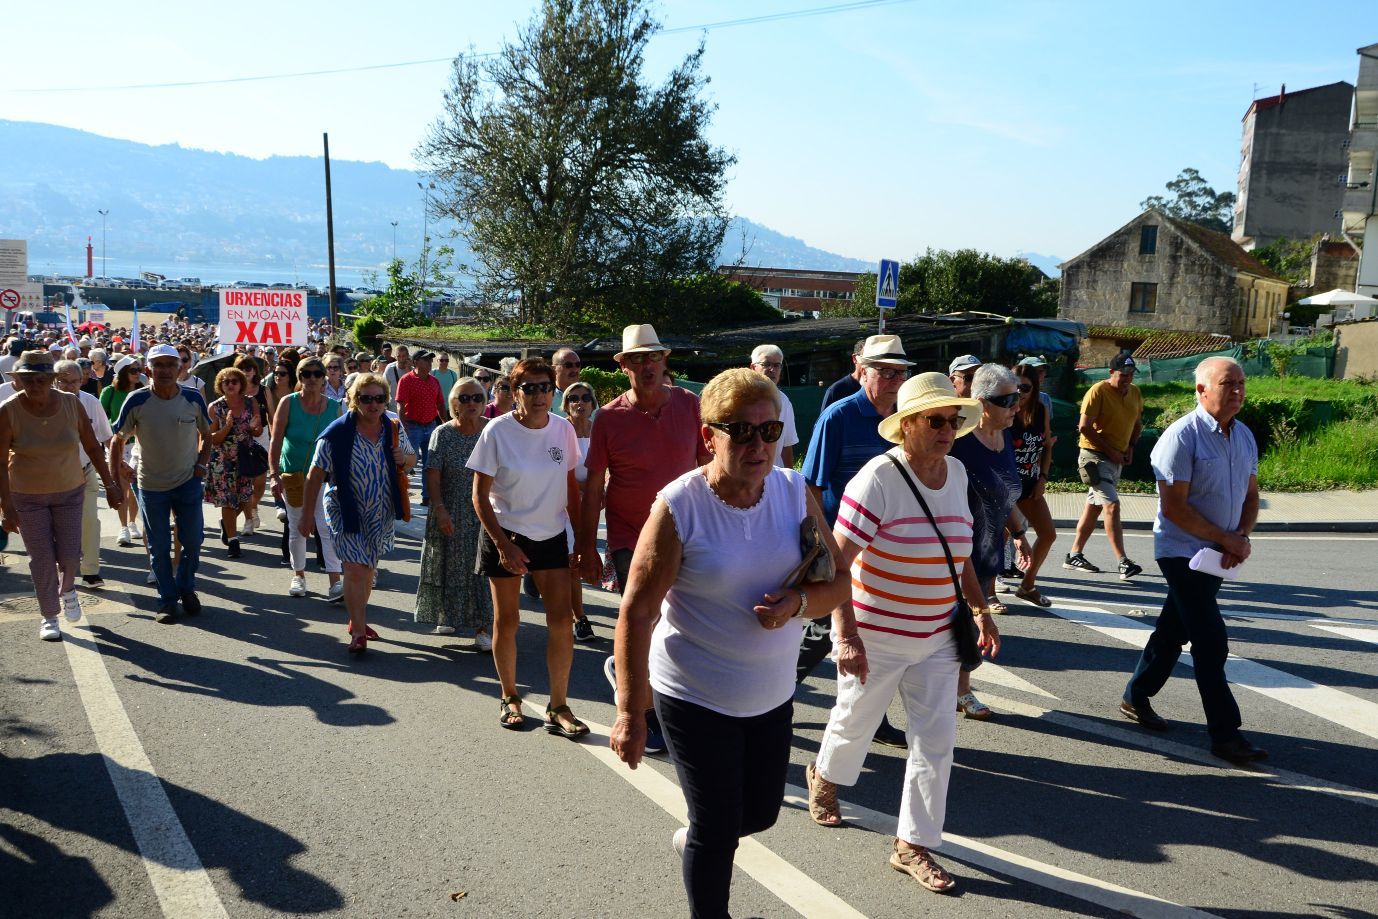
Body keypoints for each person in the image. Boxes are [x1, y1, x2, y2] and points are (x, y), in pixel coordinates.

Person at [610, 368, 851, 918]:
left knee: (760, 815)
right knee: (719, 832)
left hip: (770, 692)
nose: (758, 445)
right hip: (695, 692)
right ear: (708, 436)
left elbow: (838, 581)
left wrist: (798, 606)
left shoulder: (793, 492)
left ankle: (697, 836)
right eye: (741, 431)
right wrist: (631, 709)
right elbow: (638, 610)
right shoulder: (680, 507)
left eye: (769, 432)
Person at [804, 372, 999, 895]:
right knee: (855, 722)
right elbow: (837, 565)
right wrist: (845, 635)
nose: (947, 430)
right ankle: (824, 776)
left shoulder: (956, 474)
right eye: (935, 420)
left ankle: (912, 844)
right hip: (877, 631)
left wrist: (981, 610)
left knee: (936, 743)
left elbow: (960, 557)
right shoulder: (878, 479)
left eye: (953, 421)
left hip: (937, 636)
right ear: (906, 425)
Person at [1121, 356, 1265, 765]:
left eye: (1241, 382)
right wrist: (1226, 539)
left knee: (1173, 630)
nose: (1237, 390)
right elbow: (1176, 510)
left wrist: (1239, 539)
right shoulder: (1181, 437)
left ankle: (1136, 695)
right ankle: (1226, 735)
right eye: (1227, 383)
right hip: (1182, 553)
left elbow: (1251, 497)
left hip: (1217, 554)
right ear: (1201, 391)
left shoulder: (1244, 436)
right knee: (1210, 640)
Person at [578, 324, 707, 752]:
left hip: (686, 531)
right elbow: (594, 486)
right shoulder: (609, 417)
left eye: (653, 357)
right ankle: (645, 714)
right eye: (637, 359)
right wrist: (584, 547)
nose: (647, 366)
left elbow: (710, 468)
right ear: (623, 366)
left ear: (664, 360)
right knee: (645, 616)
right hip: (630, 534)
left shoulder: (690, 405)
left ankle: (630, 669)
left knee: (677, 621)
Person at [796, 333, 913, 748]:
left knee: (875, 634)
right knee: (824, 625)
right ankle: (781, 691)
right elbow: (810, 486)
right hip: (843, 541)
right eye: (884, 371)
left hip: (888, 549)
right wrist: (825, 544)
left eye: (900, 372)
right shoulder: (839, 416)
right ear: (862, 370)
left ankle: (871, 716)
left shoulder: (907, 419)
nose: (893, 380)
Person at [468, 358, 586, 735]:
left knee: (561, 621)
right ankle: (510, 697)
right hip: (507, 534)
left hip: (550, 535)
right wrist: (503, 546)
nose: (539, 395)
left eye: (545, 387)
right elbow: (480, 496)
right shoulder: (497, 432)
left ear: (554, 392)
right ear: (514, 393)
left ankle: (559, 705)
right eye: (529, 388)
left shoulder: (563, 429)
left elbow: (571, 488)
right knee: (508, 620)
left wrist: (582, 539)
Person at [0, 351, 122, 641]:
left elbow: (93, 447)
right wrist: (5, 505)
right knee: (40, 558)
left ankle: (68, 589)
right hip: (26, 495)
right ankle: (49, 616)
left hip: (69, 490)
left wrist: (111, 484)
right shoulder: (8, 410)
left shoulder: (71, 404)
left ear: (51, 380)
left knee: (69, 555)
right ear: (17, 381)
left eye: (42, 379)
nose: (35, 385)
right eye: (28, 379)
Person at [299, 373, 416, 654]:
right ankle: (360, 632)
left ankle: (356, 619)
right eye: (366, 398)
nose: (373, 404)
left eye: (379, 398)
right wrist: (306, 516)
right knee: (354, 568)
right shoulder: (336, 434)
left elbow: (411, 460)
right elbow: (315, 476)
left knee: (368, 571)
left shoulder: (393, 427)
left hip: (381, 510)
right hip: (344, 509)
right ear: (353, 400)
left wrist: (405, 459)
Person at [948, 363, 1029, 719]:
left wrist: (1021, 534)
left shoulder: (1004, 440)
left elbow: (1003, 495)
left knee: (966, 621)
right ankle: (958, 691)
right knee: (960, 621)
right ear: (981, 403)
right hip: (955, 551)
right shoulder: (959, 444)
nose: (1016, 406)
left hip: (988, 546)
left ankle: (957, 689)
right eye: (1007, 400)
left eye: (1019, 396)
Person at [110, 344, 212, 623]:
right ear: (147, 370)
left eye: (171, 364)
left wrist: (202, 464)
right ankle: (167, 600)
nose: (165, 370)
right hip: (151, 485)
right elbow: (117, 439)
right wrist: (117, 473)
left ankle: (186, 587)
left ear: (180, 369)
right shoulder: (136, 399)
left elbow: (208, 434)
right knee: (158, 545)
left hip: (188, 482)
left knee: (192, 540)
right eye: (159, 365)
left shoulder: (192, 398)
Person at [414, 378, 492, 646]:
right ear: (453, 404)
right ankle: (447, 614)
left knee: (483, 569)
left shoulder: (492, 431)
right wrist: (439, 509)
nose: (471, 403)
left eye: (477, 398)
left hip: (487, 511)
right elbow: (433, 476)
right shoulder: (443, 434)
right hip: (452, 507)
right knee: (450, 564)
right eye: (464, 398)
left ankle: (483, 627)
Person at [268, 356, 343, 600]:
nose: (311, 378)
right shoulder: (288, 403)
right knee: (298, 526)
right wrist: (273, 475)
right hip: (295, 475)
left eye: (316, 374)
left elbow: (342, 446)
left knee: (326, 526)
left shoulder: (335, 407)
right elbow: (276, 439)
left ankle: (335, 581)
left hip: (324, 476)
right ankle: (299, 575)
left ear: (324, 378)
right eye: (305, 374)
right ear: (299, 378)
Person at [1064, 353, 1144, 579]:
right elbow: (1084, 427)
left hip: (1115, 458)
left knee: (1095, 507)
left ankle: (1074, 554)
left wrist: (1130, 447)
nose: (1127, 379)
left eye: (1130, 375)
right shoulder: (1098, 391)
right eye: (1122, 375)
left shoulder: (1135, 393)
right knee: (1112, 505)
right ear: (1111, 373)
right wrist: (1111, 451)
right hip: (1094, 458)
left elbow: (1137, 424)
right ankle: (1123, 562)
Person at [53, 360, 116, 589]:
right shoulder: (45, 404)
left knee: (90, 522)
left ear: (83, 381)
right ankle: (62, 570)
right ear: (55, 381)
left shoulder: (91, 402)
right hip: (54, 477)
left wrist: (119, 467)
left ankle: (90, 571)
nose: (70, 386)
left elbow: (106, 437)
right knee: (58, 527)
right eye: (64, 382)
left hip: (85, 471)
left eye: (75, 382)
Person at [1009, 363, 1056, 607]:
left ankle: (1027, 586)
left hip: (1030, 485)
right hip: (1006, 488)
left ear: (1034, 388)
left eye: (1025, 387)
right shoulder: (1003, 409)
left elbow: (1047, 446)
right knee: (996, 539)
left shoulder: (1040, 411)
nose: (1020, 392)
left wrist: (1043, 478)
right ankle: (987, 593)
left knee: (1048, 534)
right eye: (1015, 386)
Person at [204, 367, 263, 559]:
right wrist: (227, 426)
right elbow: (213, 438)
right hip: (223, 460)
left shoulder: (250, 402)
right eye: (225, 382)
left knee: (245, 497)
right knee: (228, 501)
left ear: (241, 384)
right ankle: (233, 541)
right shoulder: (215, 407)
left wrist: (255, 428)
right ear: (220, 385)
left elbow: (257, 431)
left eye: (234, 381)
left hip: (245, 457)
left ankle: (226, 525)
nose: (230, 384)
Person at [561, 379, 598, 642]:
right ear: (566, 404)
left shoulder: (599, 430)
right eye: (574, 398)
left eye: (585, 397)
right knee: (573, 561)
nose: (580, 403)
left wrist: (602, 488)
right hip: (564, 503)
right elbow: (561, 472)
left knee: (586, 556)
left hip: (593, 505)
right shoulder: (559, 430)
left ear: (593, 403)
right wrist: (588, 486)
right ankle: (580, 618)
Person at [102, 360, 145, 546]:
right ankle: (123, 527)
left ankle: (133, 522)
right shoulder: (109, 392)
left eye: (139, 370)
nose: (137, 373)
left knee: (135, 487)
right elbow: (102, 420)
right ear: (122, 373)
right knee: (122, 487)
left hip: (140, 446)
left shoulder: (144, 391)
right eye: (133, 370)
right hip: (118, 446)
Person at [395, 350, 445, 506]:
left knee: (429, 464)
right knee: (408, 463)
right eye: (426, 360)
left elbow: (440, 404)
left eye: (431, 360)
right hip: (412, 427)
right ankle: (400, 493)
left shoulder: (434, 381)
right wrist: (403, 428)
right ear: (416, 362)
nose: (430, 363)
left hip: (430, 426)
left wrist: (445, 423)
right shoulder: (406, 380)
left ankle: (427, 496)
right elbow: (400, 405)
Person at [233, 353, 272, 537]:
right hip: (241, 438)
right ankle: (248, 519)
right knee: (245, 482)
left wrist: (275, 437)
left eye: (248, 368)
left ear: (255, 371)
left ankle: (254, 506)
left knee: (259, 482)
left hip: (262, 436)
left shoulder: (264, 390)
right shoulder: (233, 391)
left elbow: (272, 416)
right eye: (241, 368)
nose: (245, 372)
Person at [749, 344, 799, 467]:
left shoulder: (784, 401)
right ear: (753, 367)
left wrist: (789, 481)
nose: (772, 370)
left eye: (777, 365)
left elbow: (787, 445)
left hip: (773, 476)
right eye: (766, 364)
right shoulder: (738, 397)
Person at [820, 338, 867, 410]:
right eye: (866, 359)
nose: (870, 365)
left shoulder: (881, 388)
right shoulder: (836, 391)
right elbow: (826, 419)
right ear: (855, 358)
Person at [549, 346, 581, 416]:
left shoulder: (587, 396)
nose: (575, 369)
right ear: (554, 369)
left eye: (577, 365)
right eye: (568, 365)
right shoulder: (545, 396)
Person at [431, 353, 458, 418]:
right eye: (442, 360)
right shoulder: (432, 373)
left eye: (446, 360)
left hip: (449, 409)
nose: (444, 362)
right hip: (434, 409)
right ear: (437, 361)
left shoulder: (453, 374)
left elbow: (455, 391)